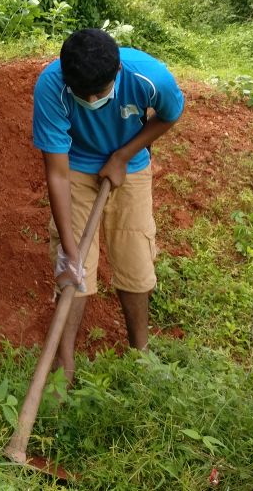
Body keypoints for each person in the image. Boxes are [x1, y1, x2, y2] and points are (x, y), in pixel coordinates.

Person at [32, 28, 185, 387]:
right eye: (81, 93)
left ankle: (140, 352)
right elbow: (56, 173)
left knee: (134, 258)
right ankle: (63, 366)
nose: (90, 98)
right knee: (75, 270)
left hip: (130, 166)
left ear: (116, 73)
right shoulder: (51, 86)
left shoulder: (149, 76)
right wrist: (71, 252)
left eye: (98, 93)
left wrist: (123, 155)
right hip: (75, 165)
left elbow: (170, 115)